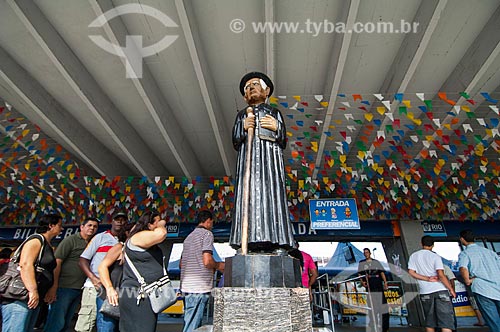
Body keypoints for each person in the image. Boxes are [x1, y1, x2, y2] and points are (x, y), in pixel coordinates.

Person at [229, 71, 295, 253]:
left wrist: (277, 127)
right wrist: (242, 129)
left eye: (255, 85)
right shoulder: (242, 115)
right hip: (247, 163)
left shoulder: (274, 113)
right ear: (244, 97)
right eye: (247, 88)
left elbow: (283, 140)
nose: (251, 89)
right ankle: (247, 243)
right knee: (248, 198)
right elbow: (235, 141)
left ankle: (278, 241)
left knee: (272, 197)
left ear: (266, 92)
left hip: (270, 163)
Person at [1, 214, 63, 331]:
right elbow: (25, 264)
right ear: (51, 225)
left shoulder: (47, 244)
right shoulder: (36, 240)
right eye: (60, 225)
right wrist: (32, 290)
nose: (62, 229)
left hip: (34, 297)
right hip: (21, 296)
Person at [43, 217, 99, 332]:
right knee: (56, 322)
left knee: (67, 322)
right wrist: (54, 287)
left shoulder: (94, 242)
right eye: (89, 225)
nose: (92, 228)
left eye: (95, 226)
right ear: (82, 227)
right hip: (64, 287)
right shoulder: (71, 240)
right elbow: (57, 262)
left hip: (81, 289)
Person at [75, 212, 126, 332]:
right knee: (87, 323)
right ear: (111, 221)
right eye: (117, 219)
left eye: (123, 220)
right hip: (95, 286)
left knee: (108, 324)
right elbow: (83, 260)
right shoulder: (100, 237)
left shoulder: (126, 242)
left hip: (115, 289)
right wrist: (94, 279)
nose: (119, 222)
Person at [119, 211, 167, 332]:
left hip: (146, 294)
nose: (159, 225)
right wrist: (162, 223)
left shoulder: (146, 242)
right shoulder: (137, 237)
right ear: (149, 224)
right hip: (136, 293)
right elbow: (161, 234)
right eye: (156, 222)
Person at [181, 210, 224, 332]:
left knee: (190, 322)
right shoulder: (207, 234)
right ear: (208, 221)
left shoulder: (188, 238)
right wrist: (219, 265)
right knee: (192, 327)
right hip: (198, 288)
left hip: (187, 287)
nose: (212, 226)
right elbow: (207, 261)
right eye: (212, 223)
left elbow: (181, 263)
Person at [408, 236, 456, 332]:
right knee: (446, 322)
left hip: (425, 292)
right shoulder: (435, 256)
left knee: (430, 322)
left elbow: (411, 272)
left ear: (421, 244)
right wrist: (451, 289)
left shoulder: (414, 256)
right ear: (433, 245)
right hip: (440, 290)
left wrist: (427, 278)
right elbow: (441, 275)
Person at [458, 229, 500, 332]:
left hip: (482, 289)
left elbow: (463, 268)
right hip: (498, 288)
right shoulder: (490, 252)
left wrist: (467, 280)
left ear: (462, 239)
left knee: (493, 321)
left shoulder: (465, 253)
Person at [97, 222, 134, 315]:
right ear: (127, 233)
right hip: (110, 296)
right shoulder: (119, 247)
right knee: (107, 327)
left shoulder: (137, 251)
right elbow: (102, 266)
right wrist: (109, 289)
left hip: (127, 297)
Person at [357, 248, 389, 332]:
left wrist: (385, 282)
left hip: (378, 284)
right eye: (364, 253)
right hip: (370, 286)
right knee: (372, 306)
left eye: (367, 252)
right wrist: (362, 282)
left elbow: (382, 272)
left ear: (370, 253)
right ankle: (372, 324)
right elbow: (360, 273)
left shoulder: (376, 262)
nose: (366, 254)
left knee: (383, 306)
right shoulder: (362, 263)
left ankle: (384, 326)